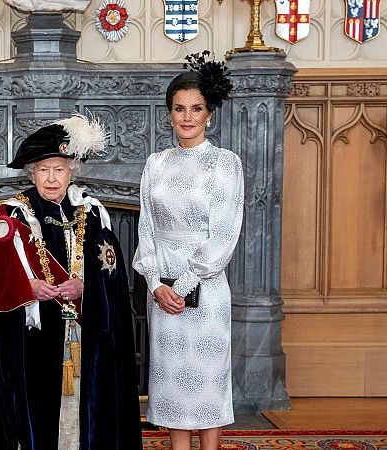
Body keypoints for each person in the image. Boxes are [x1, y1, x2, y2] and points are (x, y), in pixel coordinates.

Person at [0, 115, 142, 450]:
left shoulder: (91, 211)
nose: (51, 178)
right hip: (33, 340)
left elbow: (113, 272)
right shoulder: (14, 214)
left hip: (84, 336)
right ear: (31, 172)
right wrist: (26, 288)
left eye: (59, 169)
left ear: (71, 170)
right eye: (43, 169)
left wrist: (86, 286)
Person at [132, 51, 242, 450]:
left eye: (196, 108)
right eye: (179, 108)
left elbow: (224, 234)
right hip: (161, 290)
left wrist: (184, 284)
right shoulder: (155, 163)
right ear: (169, 113)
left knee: (207, 384)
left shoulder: (225, 163)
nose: (187, 117)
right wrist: (156, 283)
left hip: (206, 290)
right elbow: (146, 228)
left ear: (209, 113)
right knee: (174, 386)